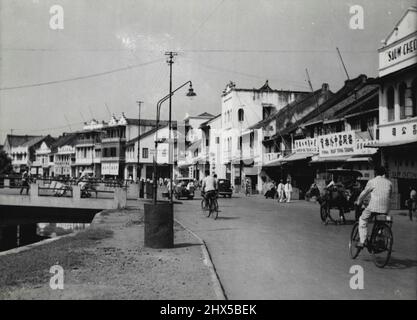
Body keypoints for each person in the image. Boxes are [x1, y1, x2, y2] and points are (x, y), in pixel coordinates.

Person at [355, 166, 392, 248]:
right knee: (381, 223)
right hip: (385, 209)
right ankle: (379, 236)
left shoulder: (372, 181)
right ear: (384, 173)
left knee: (362, 219)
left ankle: (362, 241)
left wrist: (358, 202)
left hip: (374, 207)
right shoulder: (389, 183)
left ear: (375, 173)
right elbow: (389, 196)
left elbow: (364, 193)